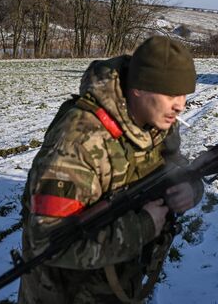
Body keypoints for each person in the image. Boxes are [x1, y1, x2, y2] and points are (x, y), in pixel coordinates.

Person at [18, 36, 203, 304]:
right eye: (171, 94)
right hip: (63, 294)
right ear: (139, 88)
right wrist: (143, 227)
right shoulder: (77, 141)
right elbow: (46, 240)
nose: (181, 105)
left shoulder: (159, 124)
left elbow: (179, 168)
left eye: (184, 94)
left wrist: (191, 190)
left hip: (117, 284)